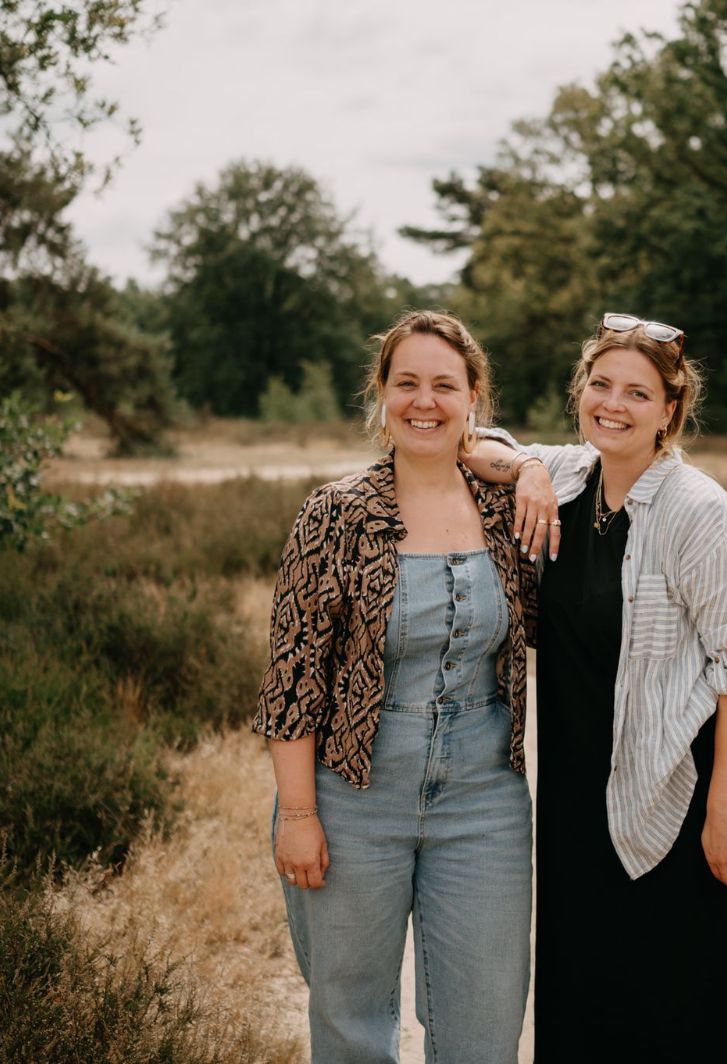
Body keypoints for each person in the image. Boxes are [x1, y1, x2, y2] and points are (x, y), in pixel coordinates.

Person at [465, 313, 727, 1062]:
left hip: (696, 775)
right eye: (600, 385)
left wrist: (723, 810)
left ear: (670, 412)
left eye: (637, 393)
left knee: (681, 994)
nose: (612, 404)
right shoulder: (569, 476)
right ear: (580, 391)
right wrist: (526, 467)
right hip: (584, 772)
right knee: (590, 981)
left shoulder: (699, 512)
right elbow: (474, 442)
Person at [252, 310, 536, 1064]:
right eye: (406, 382)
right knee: (350, 1024)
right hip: (351, 798)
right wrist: (299, 814)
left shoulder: (511, 512)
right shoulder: (335, 514)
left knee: (485, 1029)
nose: (425, 401)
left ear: (474, 397)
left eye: (445, 385)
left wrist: (529, 465)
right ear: (381, 394)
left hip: (484, 801)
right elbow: (292, 680)